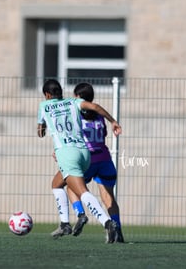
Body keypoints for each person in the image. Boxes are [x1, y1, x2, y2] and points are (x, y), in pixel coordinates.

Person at [37, 79, 122, 243]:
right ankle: (64, 224)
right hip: (85, 153)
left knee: (82, 191)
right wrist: (113, 121)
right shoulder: (73, 102)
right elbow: (96, 107)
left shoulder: (44, 106)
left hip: (67, 153)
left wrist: (46, 126)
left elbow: (40, 132)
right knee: (56, 184)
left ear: (47, 95)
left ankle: (106, 222)